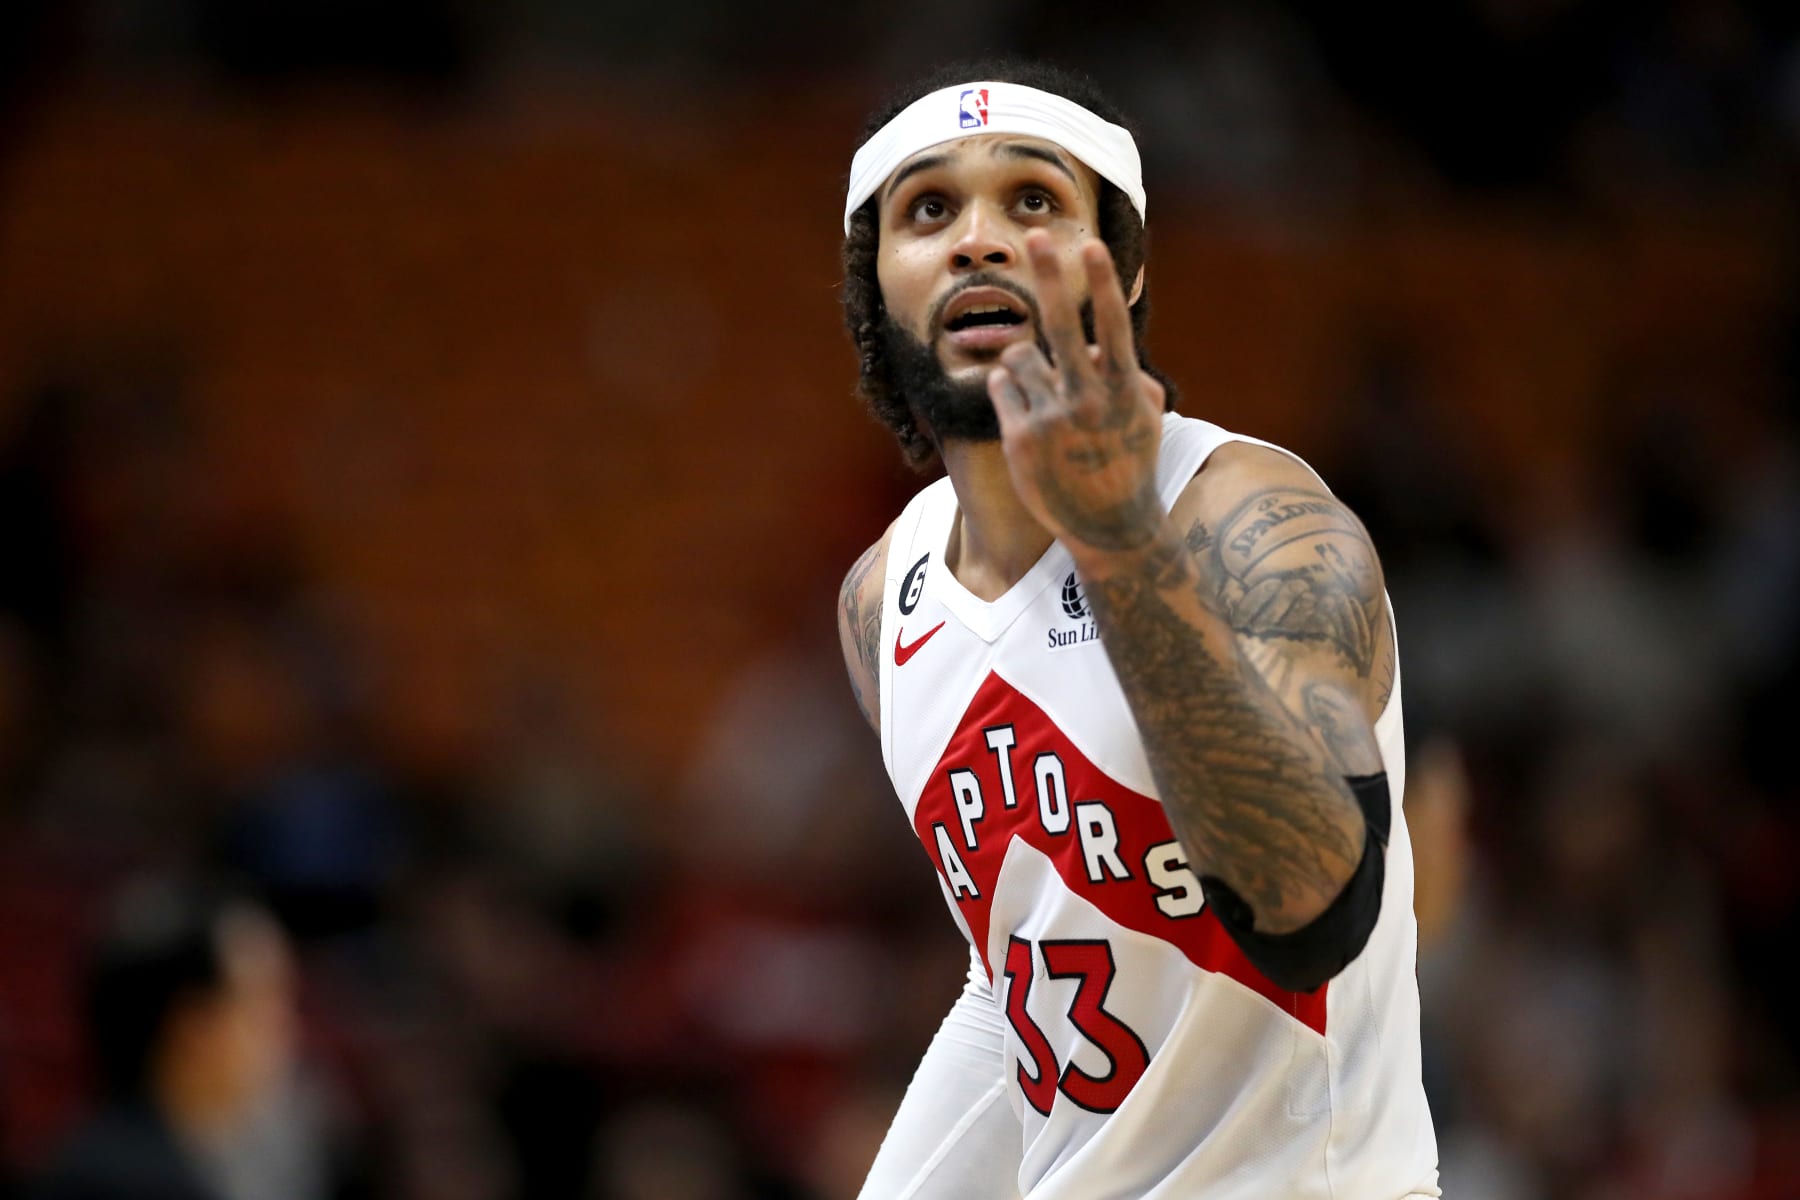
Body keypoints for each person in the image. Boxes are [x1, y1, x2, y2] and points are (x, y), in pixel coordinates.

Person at [835, 61, 1439, 1198]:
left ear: (1127, 267)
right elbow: (1010, 973)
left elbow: (1312, 911)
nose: (979, 240)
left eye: (1034, 201)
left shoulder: (1251, 518)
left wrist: (1117, 543)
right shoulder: (885, 597)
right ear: (876, 286)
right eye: (929, 210)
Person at [33, 881, 297, 1200]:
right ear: (193, 1028)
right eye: (263, 1001)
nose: (286, 1026)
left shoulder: (92, 1158)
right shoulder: (134, 1184)